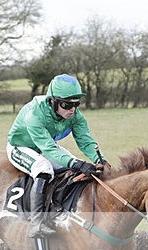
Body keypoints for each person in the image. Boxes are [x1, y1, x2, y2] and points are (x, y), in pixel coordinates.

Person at [7, 73, 106, 237]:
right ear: (53, 101)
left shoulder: (75, 115)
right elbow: (48, 148)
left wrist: (100, 160)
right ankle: (36, 223)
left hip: (44, 147)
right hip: (20, 147)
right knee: (44, 169)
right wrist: (75, 163)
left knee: (78, 168)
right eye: (67, 105)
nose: (72, 109)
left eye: (76, 104)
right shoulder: (34, 113)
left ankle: (60, 207)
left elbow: (85, 140)